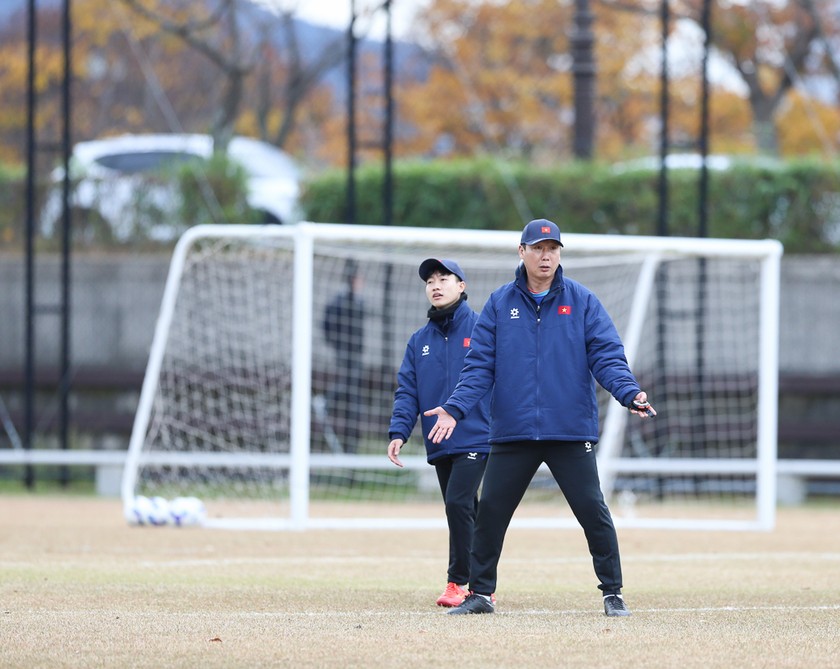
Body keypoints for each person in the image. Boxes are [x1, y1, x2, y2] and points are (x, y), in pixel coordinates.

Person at [425, 219, 657, 617]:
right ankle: (481, 594)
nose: (546, 255)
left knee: (592, 511)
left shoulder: (583, 301)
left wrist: (628, 392)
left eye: (553, 248)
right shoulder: (499, 304)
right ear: (522, 252)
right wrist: (455, 407)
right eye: (538, 248)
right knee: (491, 511)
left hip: (569, 431)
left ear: (559, 253)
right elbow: (478, 367)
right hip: (513, 432)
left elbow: (607, 356)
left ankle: (612, 592)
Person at [388, 258, 492, 608]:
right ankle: (484, 585)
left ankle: (458, 582)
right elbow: (407, 391)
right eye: (430, 280)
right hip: (439, 440)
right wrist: (399, 431)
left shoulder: (483, 329)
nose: (436, 284)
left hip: (478, 434)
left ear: (461, 286)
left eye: (444, 278)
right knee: (467, 509)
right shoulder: (419, 341)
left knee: (458, 503)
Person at [323, 259, 365, 453]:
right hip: (344, 352)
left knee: (352, 384)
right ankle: (326, 401)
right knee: (349, 382)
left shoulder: (359, 302)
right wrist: (337, 345)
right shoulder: (339, 302)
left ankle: (333, 402)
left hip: (355, 352)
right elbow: (327, 326)